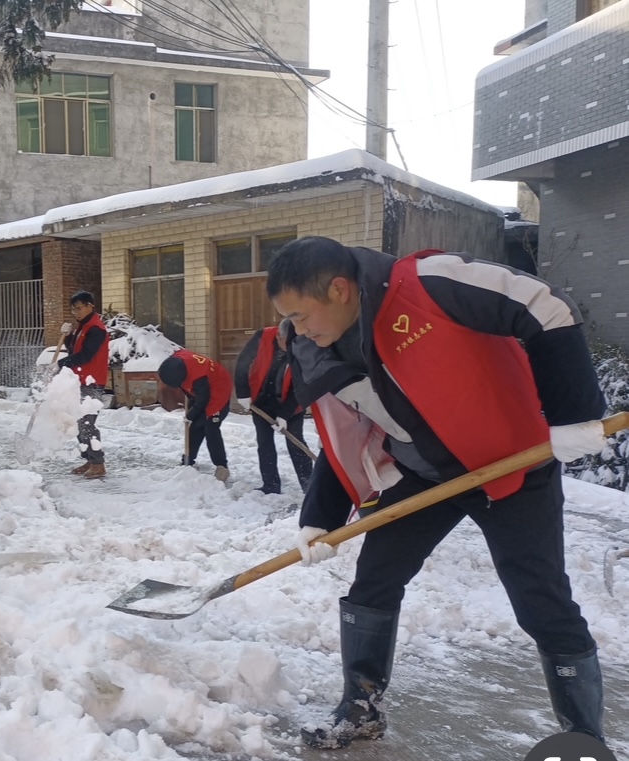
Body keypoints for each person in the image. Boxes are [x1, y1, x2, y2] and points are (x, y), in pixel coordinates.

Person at [267, 236, 608, 749]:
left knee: (542, 603)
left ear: (339, 290)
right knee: (372, 585)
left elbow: (544, 304)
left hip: (512, 468)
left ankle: (584, 739)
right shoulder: (316, 350)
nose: (296, 329)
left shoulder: (429, 285)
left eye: (299, 314)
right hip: (425, 473)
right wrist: (321, 517)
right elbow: (346, 435)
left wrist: (572, 411)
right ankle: (359, 707)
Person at [234, 317, 313, 494]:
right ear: (278, 336)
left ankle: (309, 486)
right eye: (288, 343)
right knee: (265, 443)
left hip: (291, 403)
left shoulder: (305, 344)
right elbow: (243, 362)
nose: (292, 348)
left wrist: (285, 413)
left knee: (296, 443)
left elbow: (303, 385)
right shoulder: (262, 336)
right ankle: (270, 485)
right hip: (261, 401)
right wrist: (243, 392)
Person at [57, 290, 111, 479]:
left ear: (90, 306)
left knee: (87, 423)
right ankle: (89, 459)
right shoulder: (83, 327)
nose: (76, 312)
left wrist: (62, 363)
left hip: (92, 381)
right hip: (80, 380)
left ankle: (98, 463)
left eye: (79, 308)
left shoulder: (96, 328)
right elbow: (74, 350)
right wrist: (69, 335)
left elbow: (87, 355)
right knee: (80, 423)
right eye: (74, 309)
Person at [157, 349, 233, 482]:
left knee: (211, 427)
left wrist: (190, 415)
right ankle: (188, 460)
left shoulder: (199, 377)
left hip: (219, 390)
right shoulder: (177, 359)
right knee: (195, 426)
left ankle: (222, 466)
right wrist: (192, 411)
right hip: (203, 389)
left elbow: (203, 400)